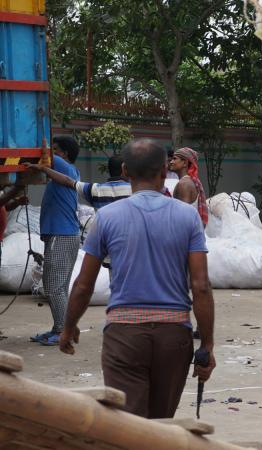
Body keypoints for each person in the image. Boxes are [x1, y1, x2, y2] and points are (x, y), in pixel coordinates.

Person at [58, 139, 215, 419]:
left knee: (128, 426)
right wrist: (207, 345)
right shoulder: (187, 218)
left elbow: (84, 284)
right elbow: (201, 286)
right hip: (174, 334)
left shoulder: (106, 217)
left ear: (126, 171)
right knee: (161, 424)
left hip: (124, 336)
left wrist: (68, 327)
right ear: (164, 169)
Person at [30, 136, 81, 346]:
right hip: (64, 235)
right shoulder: (64, 173)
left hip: (62, 235)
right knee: (58, 287)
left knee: (53, 287)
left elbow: (44, 153)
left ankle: (62, 331)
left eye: (56, 149)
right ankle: (59, 327)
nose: (52, 153)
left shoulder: (63, 166)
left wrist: (41, 133)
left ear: (64, 154)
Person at [26, 155, 131, 210]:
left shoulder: (96, 190)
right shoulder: (134, 190)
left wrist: (43, 169)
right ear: (125, 169)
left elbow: (68, 181)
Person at [169, 147, 208, 226]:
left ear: (185, 163)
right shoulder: (188, 181)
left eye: (174, 159)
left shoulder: (184, 184)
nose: (171, 162)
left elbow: (183, 217)